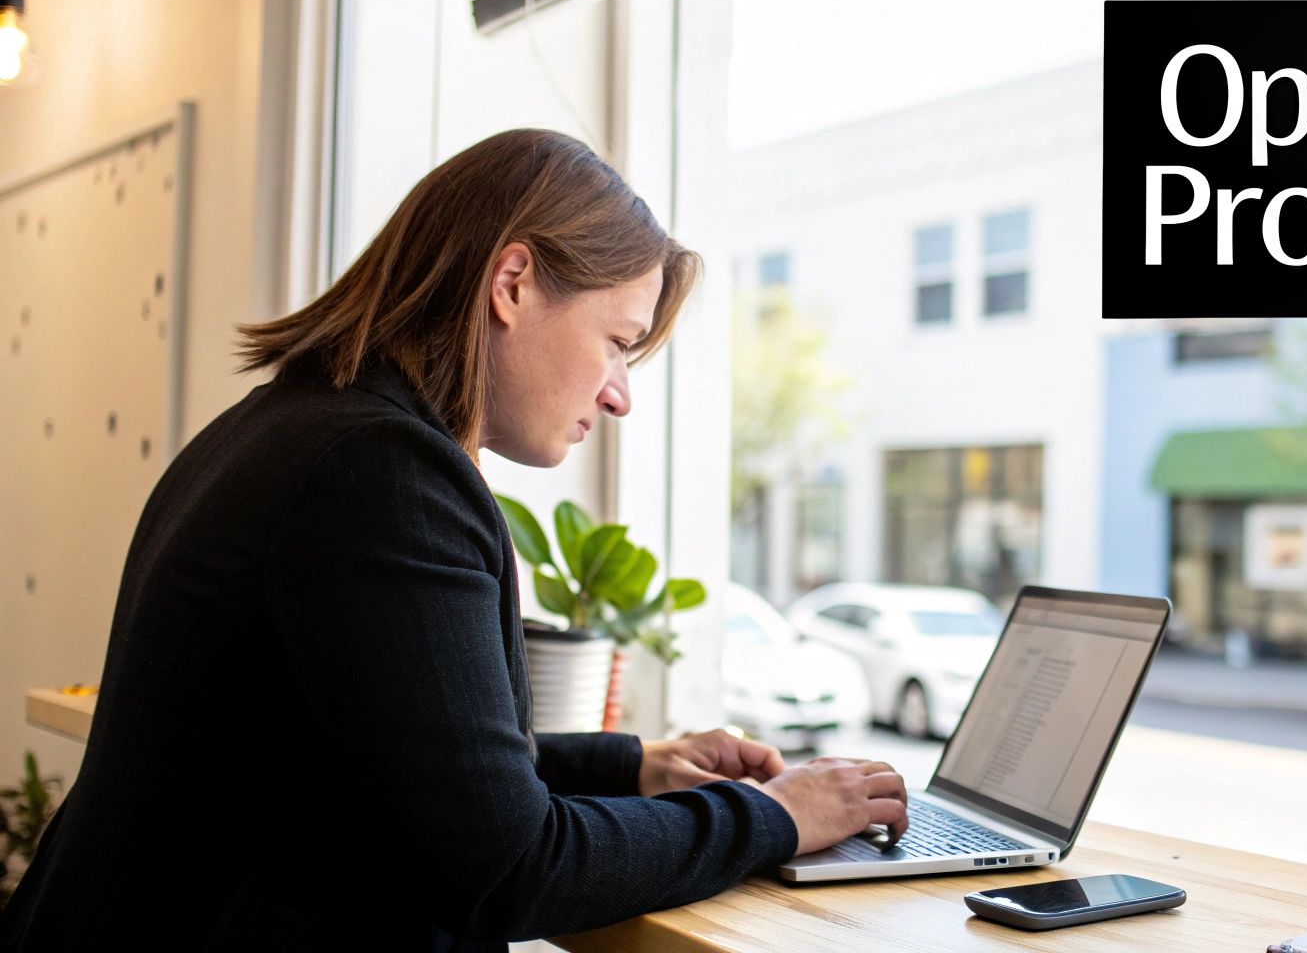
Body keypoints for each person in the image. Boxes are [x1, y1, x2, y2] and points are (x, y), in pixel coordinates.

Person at [0, 129, 908, 951]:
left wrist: (635, 767)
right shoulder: (382, 475)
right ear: (511, 284)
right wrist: (772, 816)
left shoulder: (289, 427)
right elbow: (509, 869)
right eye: (618, 343)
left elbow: (399, 762)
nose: (620, 394)